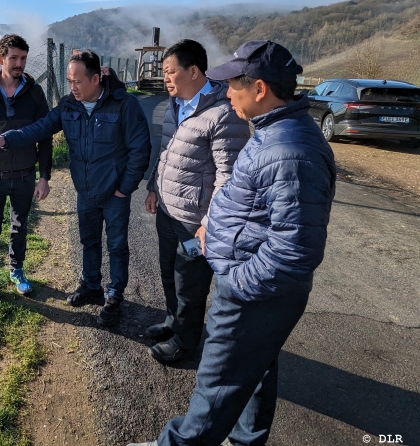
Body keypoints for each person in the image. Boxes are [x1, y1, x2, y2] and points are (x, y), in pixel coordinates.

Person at [128, 40, 336, 446]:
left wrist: (236, 283)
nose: (226, 93)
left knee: (216, 385)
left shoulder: (290, 151)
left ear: (259, 89)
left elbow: (295, 250)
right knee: (256, 368)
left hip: (254, 293)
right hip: (257, 286)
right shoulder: (274, 131)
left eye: (233, 85)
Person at [0, 50, 151, 327]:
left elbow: (140, 149)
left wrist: (125, 188)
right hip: (85, 191)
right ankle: (91, 285)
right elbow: (40, 128)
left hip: (114, 193)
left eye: (77, 81)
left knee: (117, 246)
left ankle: (114, 295)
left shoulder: (124, 105)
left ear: (95, 79)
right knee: (88, 241)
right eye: (69, 81)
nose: (72, 87)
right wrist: (6, 139)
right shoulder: (69, 106)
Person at [144, 39, 250, 363]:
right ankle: (172, 321)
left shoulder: (224, 114)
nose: (165, 78)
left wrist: (208, 223)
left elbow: (229, 177)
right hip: (167, 211)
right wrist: (153, 187)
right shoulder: (175, 105)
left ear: (193, 71)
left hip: (193, 222)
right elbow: (165, 152)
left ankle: (185, 341)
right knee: (168, 271)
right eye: (164, 72)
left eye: (170, 71)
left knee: (189, 283)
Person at [0, 34, 52, 311]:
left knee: (20, 227)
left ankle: (16, 270)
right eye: (13, 58)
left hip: (25, 175)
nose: (19, 64)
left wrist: (44, 176)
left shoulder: (35, 92)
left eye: (23, 58)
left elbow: (45, 136)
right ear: (0, 59)